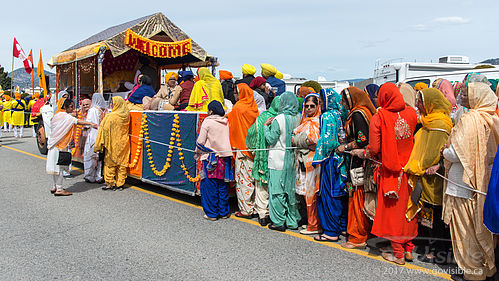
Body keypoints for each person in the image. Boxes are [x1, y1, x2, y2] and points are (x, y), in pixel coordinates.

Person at [351, 82, 418, 265]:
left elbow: (373, 148)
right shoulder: (412, 113)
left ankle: (398, 254)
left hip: (390, 170)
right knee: (408, 209)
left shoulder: (379, 117)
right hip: (411, 171)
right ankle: (409, 248)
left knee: (393, 212)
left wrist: (361, 153)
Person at [442, 81, 499, 280]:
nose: (461, 97)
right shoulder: (492, 118)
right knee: (481, 228)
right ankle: (486, 269)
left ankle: (472, 273)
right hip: (484, 183)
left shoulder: (469, 119)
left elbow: (456, 154)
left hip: (463, 184)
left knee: (465, 230)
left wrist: (444, 151)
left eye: (466, 94)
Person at [404, 88, 453, 263]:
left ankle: (438, 249)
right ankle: (430, 244)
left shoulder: (439, 124)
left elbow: (435, 152)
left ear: (430, 103)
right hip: (426, 176)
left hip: (435, 178)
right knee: (428, 213)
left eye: (420, 101)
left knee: (436, 213)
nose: (417, 105)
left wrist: (420, 167)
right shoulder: (427, 121)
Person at [336, 87, 377, 249]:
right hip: (360, 159)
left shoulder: (358, 115)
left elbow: (362, 139)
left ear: (352, 100)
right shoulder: (362, 112)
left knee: (357, 198)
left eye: (344, 100)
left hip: (359, 161)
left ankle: (358, 236)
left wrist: (345, 147)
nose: (342, 103)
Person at [311, 89, 348, 242]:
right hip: (340, 160)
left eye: (321, 98)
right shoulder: (340, 114)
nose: (319, 101)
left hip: (330, 160)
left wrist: (317, 156)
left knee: (329, 195)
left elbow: (326, 141)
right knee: (340, 194)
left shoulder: (326, 116)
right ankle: (341, 226)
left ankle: (331, 232)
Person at [46, 97, 98, 196]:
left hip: (53, 144)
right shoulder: (65, 116)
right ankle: (60, 189)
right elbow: (78, 121)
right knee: (60, 168)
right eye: (71, 107)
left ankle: (55, 186)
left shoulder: (57, 115)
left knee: (55, 168)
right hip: (60, 145)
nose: (72, 109)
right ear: (65, 107)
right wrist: (91, 124)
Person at [264, 91, 300, 231]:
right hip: (292, 159)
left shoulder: (279, 119)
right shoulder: (297, 118)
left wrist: (266, 127)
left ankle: (278, 221)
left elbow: (271, 139)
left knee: (277, 191)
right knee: (290, 191)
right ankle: (292, 221)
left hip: (278, 159)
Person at [195, 100, 234, 220]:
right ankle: (223, 212)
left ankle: (212, 214)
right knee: (222, 186)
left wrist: (198, 152)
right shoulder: (226, 121)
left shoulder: (208, 122)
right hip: (225, 159)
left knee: (210, 187)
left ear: (211, 111)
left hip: (211, 158)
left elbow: (200, 142)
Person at [246, 96, 281, 226]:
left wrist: (254, 147)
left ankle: (262, 214)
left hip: (263, 155)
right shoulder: (284, 119)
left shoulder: (263, 117)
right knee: (274, 186)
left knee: (261, 185)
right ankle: (273, 213)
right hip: (279, 157)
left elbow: (251, 133)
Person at [227, 83, 260, 218]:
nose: (235, 96)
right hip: (253, 148)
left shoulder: (238, 107)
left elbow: (230, 122)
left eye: (236, 93)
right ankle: (254, 207)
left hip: (241, 147)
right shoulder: (254, 107)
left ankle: (246, 209)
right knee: (252, 179)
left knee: (243, 179)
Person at [292, 93, 321, 235]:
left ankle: (314, 225)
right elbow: (296, 139)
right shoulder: (304, 121)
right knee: (305, 193)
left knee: (311, 194)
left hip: (312, 163)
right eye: (307, 106)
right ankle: (311, 222)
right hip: (303, 162)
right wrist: (300, 140)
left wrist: (298, 140)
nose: (309, 108)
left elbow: (313, 141)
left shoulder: (317, 121)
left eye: (312, 106)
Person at [95, 96, 131, 190]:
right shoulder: (126, 116)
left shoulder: (110, 116)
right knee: (122, 164)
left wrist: (100, 144)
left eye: (112, 102)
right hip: (124, 143)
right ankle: (120, 184)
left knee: (110, 163)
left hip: (112, 143)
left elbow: (103, 130)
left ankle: (110, 183)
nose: (111, 104)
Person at [83, 93, 107, 183]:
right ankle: (99, 175)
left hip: (93, 134)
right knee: (100, 156)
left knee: (91, 155)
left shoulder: (92, 110)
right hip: (103, 135)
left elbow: (88, 123)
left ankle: (90, 175)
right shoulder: (105, 110)